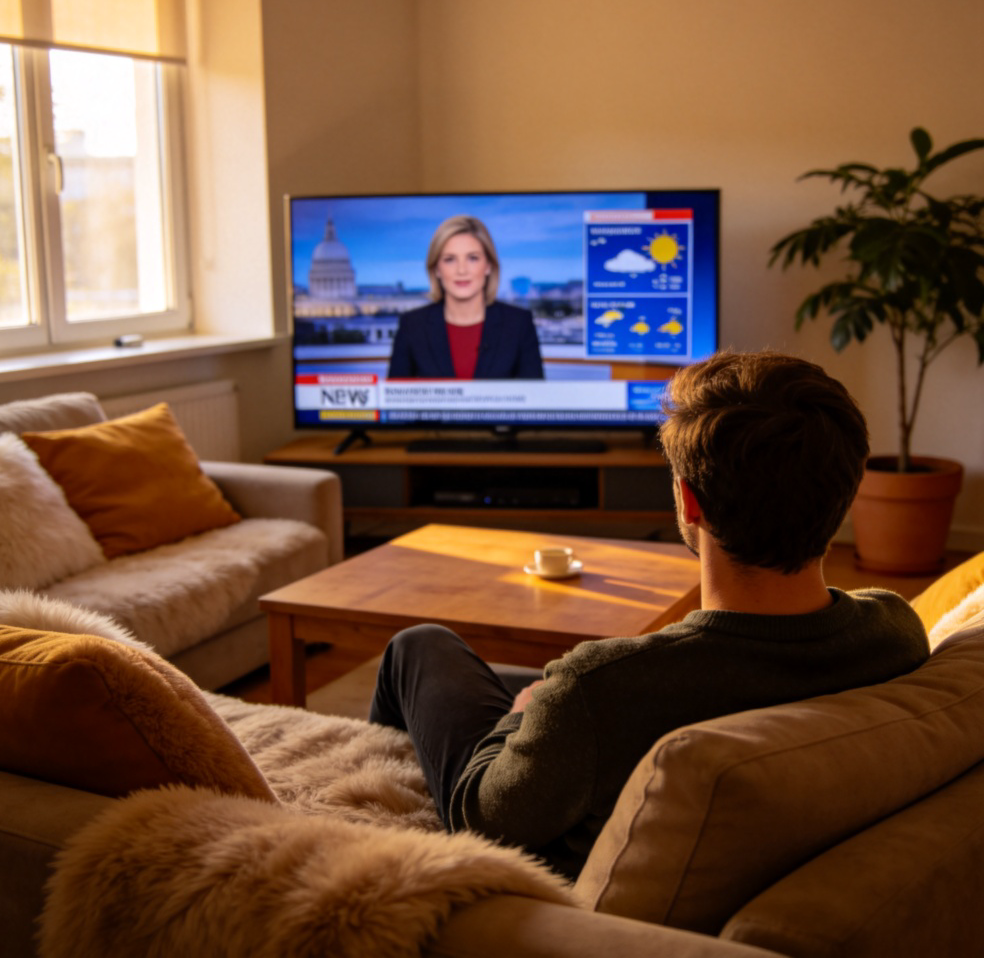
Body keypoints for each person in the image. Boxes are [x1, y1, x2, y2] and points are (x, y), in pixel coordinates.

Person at [369, 350, 930, 878]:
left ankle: (355, 809)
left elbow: (481, 818)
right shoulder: (894, 628)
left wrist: (522, 715)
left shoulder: (600, 688)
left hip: (545, 884)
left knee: (419, 645)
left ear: (689, 501)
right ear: (846, 492)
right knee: (515, 679)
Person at [387, 215, 544, 379]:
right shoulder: (412, 325)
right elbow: (395, 400)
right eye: (450, 260)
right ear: (436, 269)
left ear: (488, 265)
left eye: (473, 258)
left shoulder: (519, 324)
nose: (462, 270)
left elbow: (536, 400)